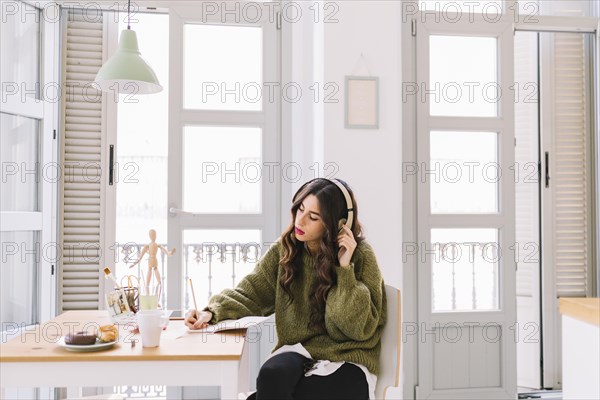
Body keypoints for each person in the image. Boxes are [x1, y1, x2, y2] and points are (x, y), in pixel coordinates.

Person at [185, 178, 386, 400]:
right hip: (299, 350)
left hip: (348, 358)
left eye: (313, 217)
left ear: (338, 224)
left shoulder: (361, 255)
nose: (300, 220)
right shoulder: (286, 249)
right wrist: (212, 312)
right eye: (300, 209)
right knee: (271, 376)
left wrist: (344, 269)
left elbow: (357, 328)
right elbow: (251, 292)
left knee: (299, 394)